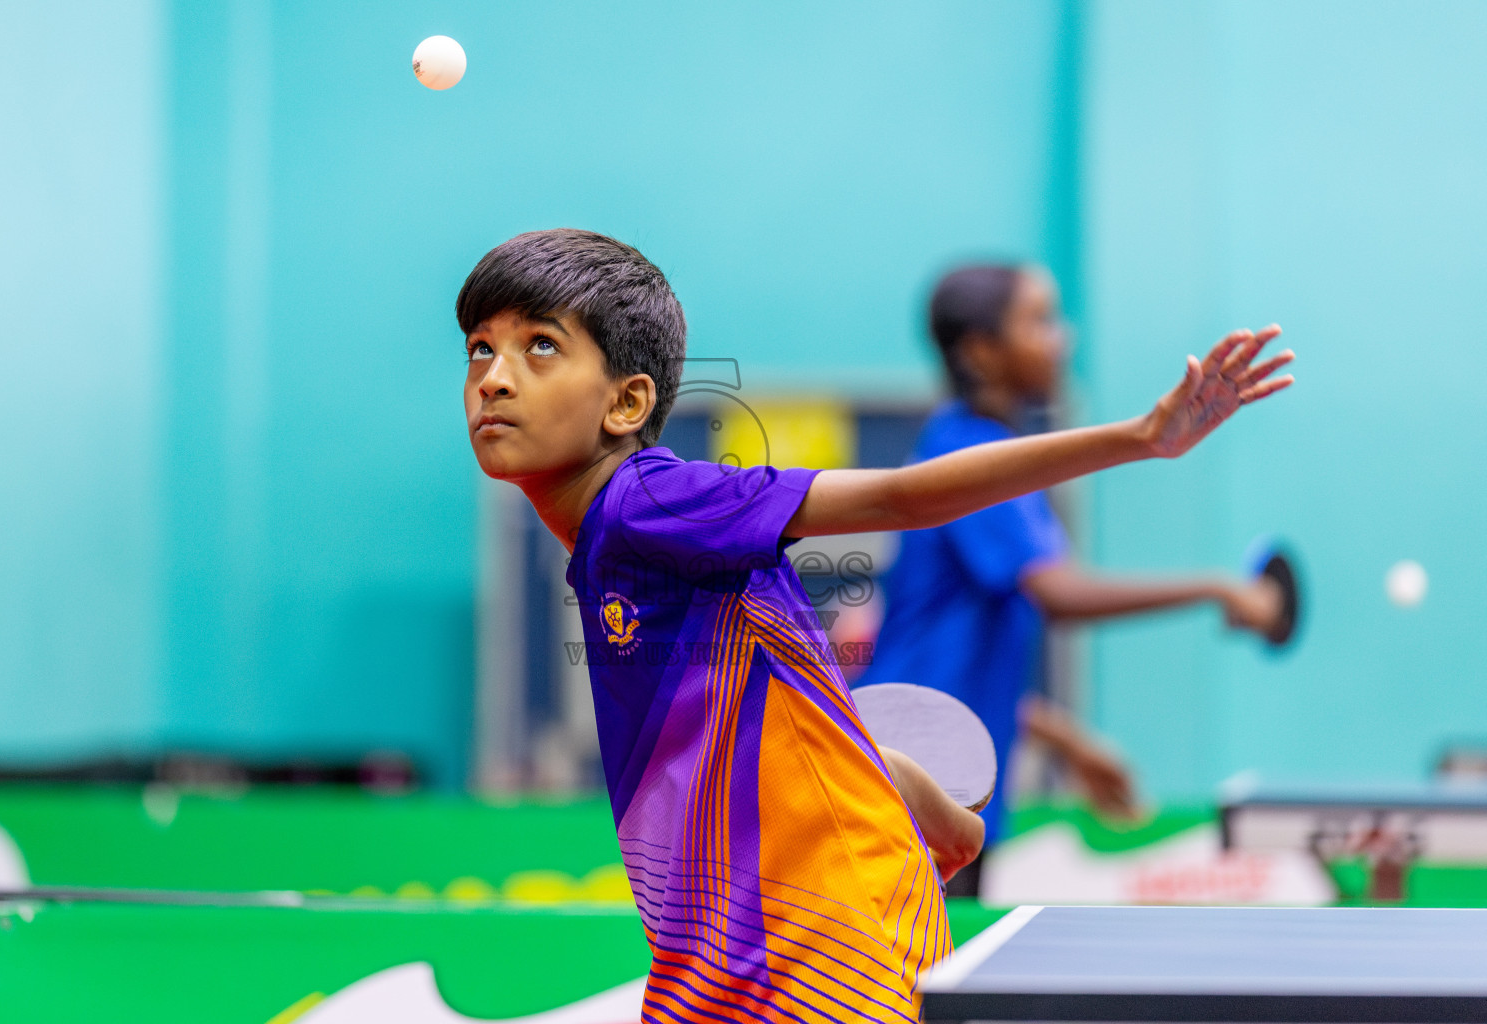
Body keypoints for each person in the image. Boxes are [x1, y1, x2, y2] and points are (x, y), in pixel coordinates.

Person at [457, 230, 1292, 1023]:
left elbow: (901, 497)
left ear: (627, 401)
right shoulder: (625, 550)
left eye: (540, 346)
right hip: (734, 960)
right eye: (480, 349)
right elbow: (788, 719)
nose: (493, 377)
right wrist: (927, 802)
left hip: (818, 958)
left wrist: (1144, 437)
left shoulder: (651, 501)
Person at [859, 264, 1288, 894]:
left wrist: (1063, 739)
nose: (1062, 338)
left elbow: (948, 654)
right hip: (912, 788)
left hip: (938, 781)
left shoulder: (977, 448)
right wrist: (1220, 588)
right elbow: (1059, 594)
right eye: (1039, 321)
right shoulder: (968, 454)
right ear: (981, 351)